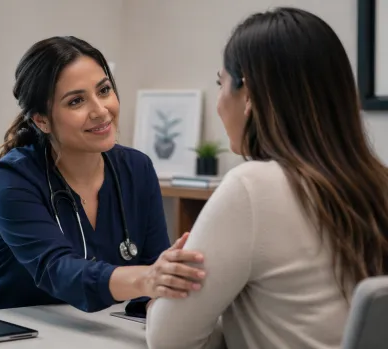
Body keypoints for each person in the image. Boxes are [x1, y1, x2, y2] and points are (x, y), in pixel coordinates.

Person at [145, 7, 388, 349]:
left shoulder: (251, 187)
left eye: (221, 83)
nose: (218, 102)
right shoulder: (377, 183)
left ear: (249, 95)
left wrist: (159, 294)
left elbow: (170, 341)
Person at [0, 36, 206, 313]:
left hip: (88, 330)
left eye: (104, 90)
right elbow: (58, 271)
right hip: (0, 329)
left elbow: (151, 277)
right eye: (76, 101)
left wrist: (167, 296)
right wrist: (147, 279)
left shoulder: (137, 168)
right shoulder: (12, 178)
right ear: (42, 120)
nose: (101, 111)